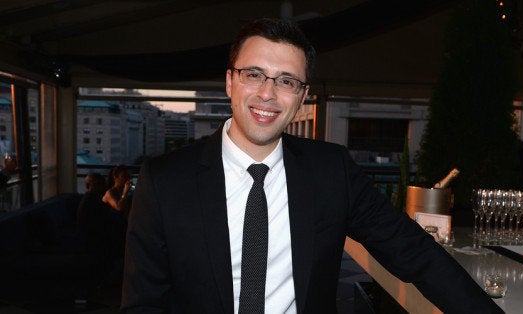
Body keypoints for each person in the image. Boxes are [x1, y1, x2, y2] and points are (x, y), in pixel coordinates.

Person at [122, 18, 503, 313]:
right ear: (230, 82)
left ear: (303, 95)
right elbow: (144, 303)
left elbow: (415, 253)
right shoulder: (165, 181)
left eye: (286, 81)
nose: (267, 94)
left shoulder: (332, 171)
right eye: (254, 74)